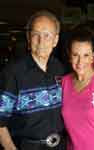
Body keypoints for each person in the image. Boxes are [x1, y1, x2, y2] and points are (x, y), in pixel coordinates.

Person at [0, 10, 67, 150]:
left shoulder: (60, 68)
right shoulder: (12, 72)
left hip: (60, 145)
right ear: (29, 37)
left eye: (47, 35)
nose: (41, 41)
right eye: (36, 34)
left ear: (55, 40)